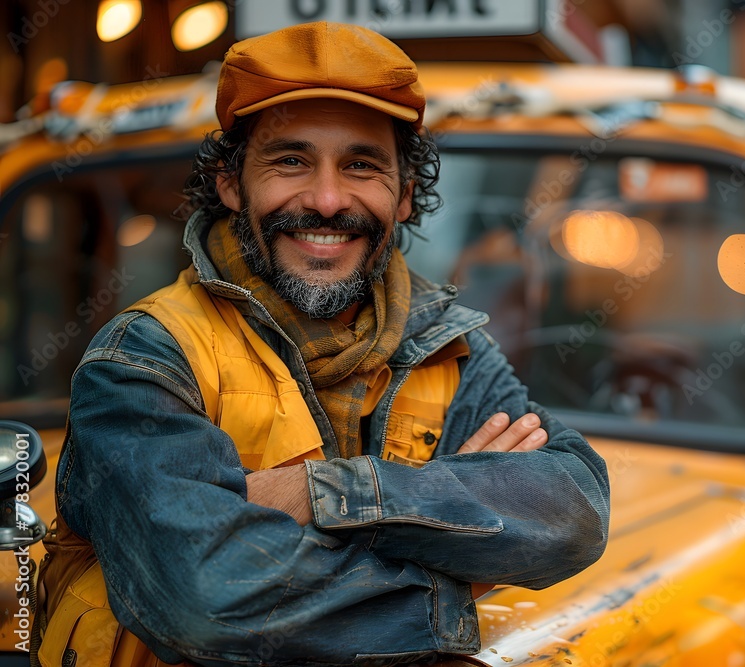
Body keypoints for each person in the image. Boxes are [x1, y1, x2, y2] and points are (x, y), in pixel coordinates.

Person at [37, 21, 610, 666]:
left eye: (361, 165)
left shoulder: (446, 348)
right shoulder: (145, 356)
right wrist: (454, 576)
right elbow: (206, 598)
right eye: (290, 161)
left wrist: (316, 493)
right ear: (231, 183)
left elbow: (572, 511)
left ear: (404, 195)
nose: (329, 200)